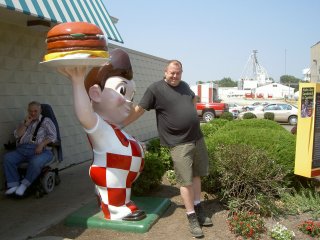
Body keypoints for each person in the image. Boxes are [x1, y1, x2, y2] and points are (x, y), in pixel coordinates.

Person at [121, 60, 212, 238]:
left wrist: (193, 116)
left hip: (197, 138)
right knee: (185, 180)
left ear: (181, 73)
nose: (174, 76)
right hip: (178, 142)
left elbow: (193, 98)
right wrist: (120, 125)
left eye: (178, 73)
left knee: (196, 175)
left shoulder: (185, 86)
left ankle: (198, 206)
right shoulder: (155, 89)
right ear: (165, 72)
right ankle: (191, 216)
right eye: (171, 73)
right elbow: (140, 110)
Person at [57, 49, 146, 221]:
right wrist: (77, 81)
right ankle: (115, 209)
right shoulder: (98, 127)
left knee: (120, 191)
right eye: (122, 91)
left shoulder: (113, 127)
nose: (129, 101)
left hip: (121, 175)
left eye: (131, 95)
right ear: (96, 94)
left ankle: (122, 203)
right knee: (114, 187)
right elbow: (84, 115)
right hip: (109, 173)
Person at [3, 101, 57, 196]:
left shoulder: (46, 121)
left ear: (40, 110)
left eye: (35, 111)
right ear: (28, 111)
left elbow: (53, 136)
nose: (33, 113)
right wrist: (25, 124)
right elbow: (17, 135)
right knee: (8, 158)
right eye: (30, 111)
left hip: (41, 150)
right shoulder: (25, 121)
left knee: (35, 162)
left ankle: (24, 185)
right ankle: (13, 185)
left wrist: (41, 144)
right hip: (22, 150)